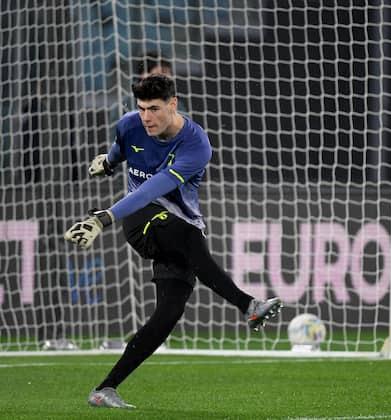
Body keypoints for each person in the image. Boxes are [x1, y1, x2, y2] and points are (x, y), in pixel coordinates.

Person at [64, 74, 282, 409]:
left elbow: (158, 186)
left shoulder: (196, 144)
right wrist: (108, 163)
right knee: (185, 237)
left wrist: (103, 218)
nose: (146, 117)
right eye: (141, 108)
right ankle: (249, 305)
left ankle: (105, 389)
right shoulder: (129, 124)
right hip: (141, 217)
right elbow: (123, 153)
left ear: (173, 104)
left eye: (153, 108)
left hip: (178, 221)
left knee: (168, 313)